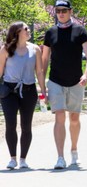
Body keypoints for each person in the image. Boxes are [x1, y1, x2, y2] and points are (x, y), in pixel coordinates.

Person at [42, 0, 87, 169]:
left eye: (64, 10)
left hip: (76, 82)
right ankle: (60, 157)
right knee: (59, 116)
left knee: (74, 118)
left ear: (70, 11)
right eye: (58, 11)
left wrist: (86, 74)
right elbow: (44, 60)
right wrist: (42, 85)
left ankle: (74, 150)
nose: (61, 13)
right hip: (56, 80)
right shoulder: (50, 32)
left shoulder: (80, 30)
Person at [0, 21, 46, 169]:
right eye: (25, 29)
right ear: (17, 32)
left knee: (26, 126)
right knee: (10, 124)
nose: (28, 31)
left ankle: (23, 159)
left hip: (28, 90)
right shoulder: (6, 49)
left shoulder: (35, 49)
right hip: (9, 91)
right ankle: (12, 158)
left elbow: (39, 71)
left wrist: (43, 89)